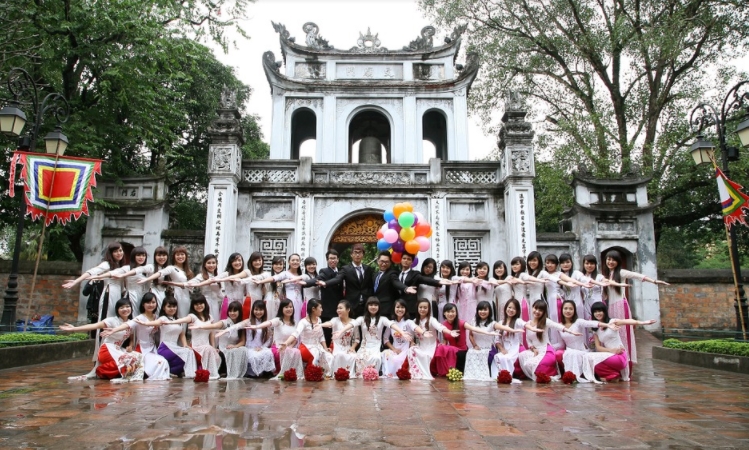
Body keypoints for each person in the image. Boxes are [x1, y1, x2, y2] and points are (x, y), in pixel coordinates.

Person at [602, 249, 668, 364]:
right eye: (608, 259)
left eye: (613, 260)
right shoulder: (605, 275)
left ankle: (626, 359)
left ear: (618, 261)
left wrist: (654, 281)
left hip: (620, 306)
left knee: (624, 332)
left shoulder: (621, 272)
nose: (610, 262)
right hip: (611, 307)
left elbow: (637, 275)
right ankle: (615, 359)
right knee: (614, 333)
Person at [60, 298, 144, 383]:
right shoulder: (112, 320)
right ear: (117, 310)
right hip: (107, 349)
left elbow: (131, 338)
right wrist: (74, 328)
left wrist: (130, 346)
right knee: (125, 362)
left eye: (127, 306)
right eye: (121, 307)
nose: (125, 309)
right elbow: (94, 325)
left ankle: (104, 371)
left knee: (136, 360)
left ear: (131, 308)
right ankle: (104, 372)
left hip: (118, 349)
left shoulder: (131, 323)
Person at [333, 297, 413, 377]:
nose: (373, 307)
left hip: (376, 347)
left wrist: (402, 333)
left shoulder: (382, 319)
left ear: (379, 307)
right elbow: (352, 324)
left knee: (376, 358)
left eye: (376, 305)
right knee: (359, 357)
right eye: (371, 305)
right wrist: (341, 331)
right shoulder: (361, 319)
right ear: (367, 306)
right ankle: (361, 378)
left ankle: (373, 376)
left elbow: (391, 324)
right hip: (364, 347)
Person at [101, 293, 171, 381]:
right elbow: (128, 324)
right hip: (142, 350)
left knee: (163, 362)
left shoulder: (157, 317)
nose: (151, 305)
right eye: (148, 302)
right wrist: (114, 330)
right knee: (162, 362)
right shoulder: (140, 318)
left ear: (157, 303)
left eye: (153, 302)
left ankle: (148, 373)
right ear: (143, 304)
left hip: (153, 349)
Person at [582, 302, 656, 383]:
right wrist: (611, 350)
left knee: (590, 357)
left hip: (620, 356)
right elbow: (598, 347)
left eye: (600, 311)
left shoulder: (612, 322)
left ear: (604, 311)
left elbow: (627, 321)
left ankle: (611, 375)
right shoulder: (596, 329)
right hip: (610, 355)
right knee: (589, 358)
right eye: (595, 312)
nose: (598, 313)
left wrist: (643, 322)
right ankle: (613, 375)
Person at [238, 299, 304, 379]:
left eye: (290, 307)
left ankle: (292, 373)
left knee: (296, 351)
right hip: (278, 346)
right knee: (282, 352)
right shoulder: (278, 320)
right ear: (281, 309)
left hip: (290, 346)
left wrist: (290, 346)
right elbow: (269, 323)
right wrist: (256, 326)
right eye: (286, 307)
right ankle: (279, 372)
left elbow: (295, 337)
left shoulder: (295, 322)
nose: (289, 309)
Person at [517, 300, 581, 381]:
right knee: (522, 357)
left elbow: (557, 326)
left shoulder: (545, 321)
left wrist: (570, 331)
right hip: (535, 351)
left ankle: (547, 374)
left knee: (536, 364)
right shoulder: (528, 323)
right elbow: (528, 339)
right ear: (532, 308)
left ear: (544, 312)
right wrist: (533, 348)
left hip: (546, 351)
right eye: (535, 308)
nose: (537, 311)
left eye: (540, 310)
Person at [555, 300, 617, 382]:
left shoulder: (578, 322)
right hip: (569, 352)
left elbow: (591, 323)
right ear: (562, 310)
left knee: (576, 355)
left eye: (571, 309)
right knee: (558, 354)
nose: (568, 311)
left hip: (581, 351)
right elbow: (560, 344)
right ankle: (569, 374)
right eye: (565, 308)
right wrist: (547, 347)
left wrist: (607, 325)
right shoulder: (559, 326)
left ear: (574, 311)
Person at [62, 242, 126, 320]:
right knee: (107, 318)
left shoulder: (120, 265)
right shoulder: (107, 264)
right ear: (111, 253)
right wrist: (76, 281)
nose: (119, 253)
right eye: (115, 251)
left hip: (117, 294)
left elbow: (122, 285)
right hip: (109, 294)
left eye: (120, 250)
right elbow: (91, 272)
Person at [463, 301, 524, 381]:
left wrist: (513, 330)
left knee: (489, 357)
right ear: (477, 311)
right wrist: (474, 345)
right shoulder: (474, 321)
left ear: (489, 311)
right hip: (476, 348)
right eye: (480, 310)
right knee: (470, 353)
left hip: (488, 348)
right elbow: (470, 335)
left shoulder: (493, 323)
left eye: (485, 310)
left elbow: (503, 327)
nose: (482, 312)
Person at [189, 300, 248, 380]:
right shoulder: (224, 323)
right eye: (230, 311)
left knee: (242, 350)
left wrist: (235, 346)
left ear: (239, 312)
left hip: (233, 348)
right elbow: (213, 326)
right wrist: (200, 326)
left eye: (235, 311)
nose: (232, 313)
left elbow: (243, 341)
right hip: (223, 349)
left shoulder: (240, 325)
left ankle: (235, 372)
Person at [279, 299, 333, 376]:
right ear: (313, 309)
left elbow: (321, 336)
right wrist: (286, 343)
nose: (322, 310)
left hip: (318, 346)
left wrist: (325, 348)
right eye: (320, 307)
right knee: (315, 355)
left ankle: (323, 374)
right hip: (306, 346)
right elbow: (296, 333)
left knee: (329, 357)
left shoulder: (319, 320)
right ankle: (312, 373)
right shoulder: (303, 322)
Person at [407, 299, 457, 380]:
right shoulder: (414, 321)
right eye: (421, 307)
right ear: (417, 308)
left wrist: (450, 332)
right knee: (411, 350)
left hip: (431, 346)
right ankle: (416, 373)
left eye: (425, 307)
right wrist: (412, 342)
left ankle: (424, 373)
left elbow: (440, 327)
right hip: (421, 346)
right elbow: (410, 334)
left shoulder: (432, 320)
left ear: (429, 309)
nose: (423, 309)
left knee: (426, 356)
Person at [138, 247, 195, 318]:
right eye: (177, 255)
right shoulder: (171, 268)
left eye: (182, 254)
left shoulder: (189, 271)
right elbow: (160, 273)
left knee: (184, 317)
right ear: (174, 256)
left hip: (186, 297)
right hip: (175, 295)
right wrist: (147, 279)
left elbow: (192, 286)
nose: (180, 256)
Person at [302, 249, 343, 346]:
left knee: (338, 332)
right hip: (327, 308)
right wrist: (306, 283)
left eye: (334, 258)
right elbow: (316, 280)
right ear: (327, 260)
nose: (332, 260)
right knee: (327, 334)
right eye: (330, 258)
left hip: (339, 308)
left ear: (338, 259)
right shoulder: (324, 271)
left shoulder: (341, 272)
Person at [323, 244, 374, 317]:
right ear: (351, 254)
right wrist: (326, 283)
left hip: (365, 305)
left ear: (363, 255)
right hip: (352, 305)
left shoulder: (368, 269)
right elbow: (338, 279)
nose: (357, 255)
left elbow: (370, 286)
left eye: (360, 253)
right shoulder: (346, 269)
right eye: (355, 252)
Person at [154, 296, 197, 378]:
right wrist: (145, 323)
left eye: (174, 306)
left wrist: (185, 345)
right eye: (169, 306)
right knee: (186, 353)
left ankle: (170, 371)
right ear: (164, 307)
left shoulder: (178, 320)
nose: (172, 308)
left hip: (174, 347)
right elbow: (155, 323)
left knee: (189, 351)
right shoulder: (163, 318)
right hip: (164, 347)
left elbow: (182, 334)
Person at [254, 254, 305, 322]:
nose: (295, 262)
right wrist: (260, 281)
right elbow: (274, 278)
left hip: (296, 301)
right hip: (281, 301)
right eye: (293, 260)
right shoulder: (284, 274)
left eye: (297, 260)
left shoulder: (302, 275)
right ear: (289, 262)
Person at [380, 299, 414, 378]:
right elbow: (385, 339)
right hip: (395, 350)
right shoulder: (391, 323)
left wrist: (412, 343)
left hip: (406, 350)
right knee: (385, 354)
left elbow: (413, 334)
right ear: (394, 309)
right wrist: (393, 349)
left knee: (402, 358)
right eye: (398, 307)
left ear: (405, 309)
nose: (400, 309)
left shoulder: (408, 322)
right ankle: (390, 374)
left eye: (402, 307)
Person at [323, 300, 358, 374]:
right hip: (337, 347)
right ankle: (338, 374)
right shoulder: (335, 320)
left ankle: (349, 375)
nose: (338, 310)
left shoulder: (354, 322)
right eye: (337, 308)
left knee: (354, 357)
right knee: (340, 355)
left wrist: (353, 347)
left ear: (348, 310)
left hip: (348, 347)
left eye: (340, 308)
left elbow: (357, 339)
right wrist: (320, 325)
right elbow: (329, 323)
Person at [187, 254, 224, 322]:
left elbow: (219, 293)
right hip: (205, 303)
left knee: (215, 322)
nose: (211, 265)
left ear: (216, 264)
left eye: (213, 263)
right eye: (209, 263)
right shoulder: (201, 276)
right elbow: (191, 283)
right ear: (204, 264)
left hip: (215, 304)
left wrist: (227, 299)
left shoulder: (217, 276)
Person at [370, 251, 408, 317]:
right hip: (375, 308)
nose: (384, 264)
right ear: (378, 261)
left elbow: (396, 282)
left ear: (390, 263)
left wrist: (405, 288)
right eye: (382, 261)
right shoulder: (375, 275)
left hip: (387, 309)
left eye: (386, 262)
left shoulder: (392, 273)